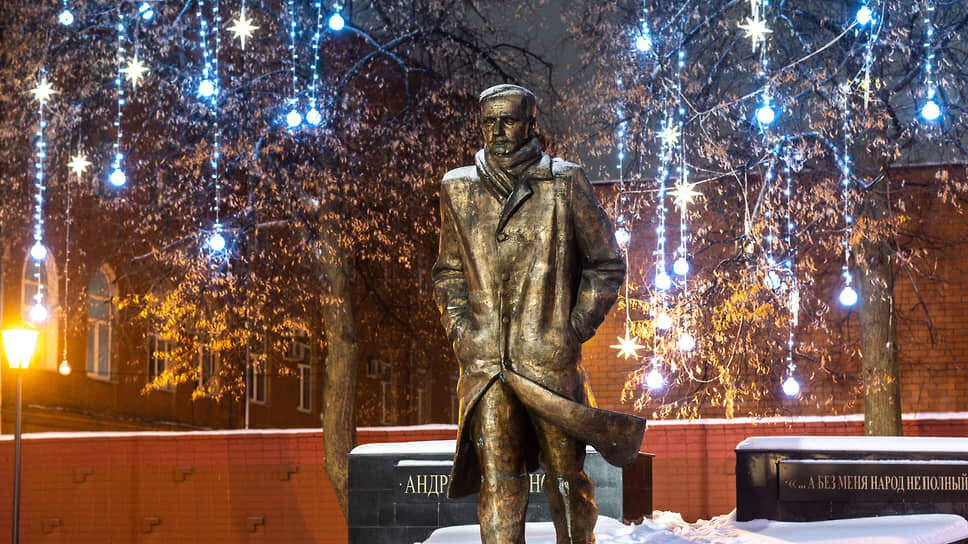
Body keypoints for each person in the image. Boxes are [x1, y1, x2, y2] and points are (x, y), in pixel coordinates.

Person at [432, 84, 627, 543]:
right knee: (498, 488)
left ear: (530, 123)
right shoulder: (457, 188)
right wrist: (461, 330)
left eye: (509, 120)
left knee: (566, 484)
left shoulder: (565, 182)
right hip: (486, 367)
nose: (498, 131)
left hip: (549, 364)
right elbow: (447, 273)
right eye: (488, 121)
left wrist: (574, 327)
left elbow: (606, 262)